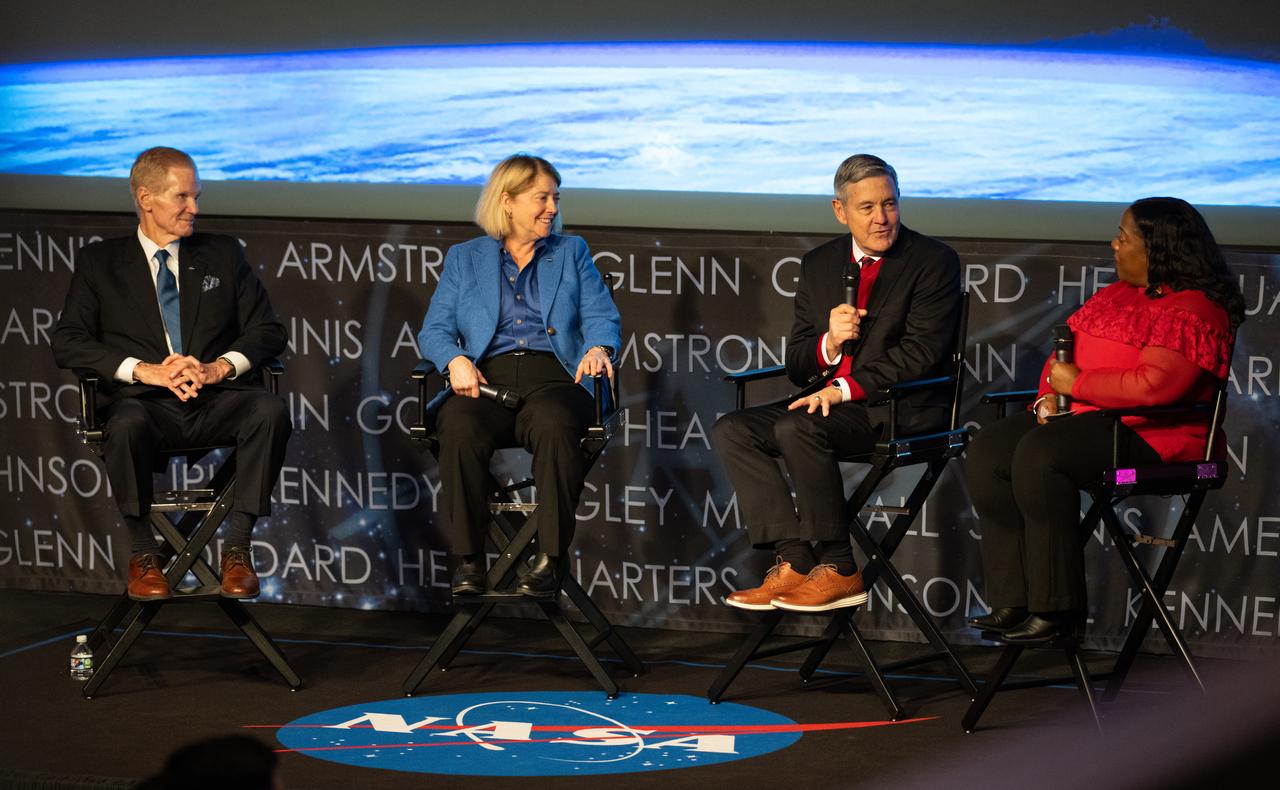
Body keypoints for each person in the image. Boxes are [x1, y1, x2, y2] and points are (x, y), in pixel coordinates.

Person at [964, 197, 1243, 641]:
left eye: (1124, 237)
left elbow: (1156, 387)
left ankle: (1057, 608)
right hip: (1088, 420)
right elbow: (1063, 359)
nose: (1114, 245)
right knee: (989, 450)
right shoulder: (1115, 294)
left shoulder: (1193, 307)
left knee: (1042, 454)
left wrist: (1076, 387)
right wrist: (1046, 399)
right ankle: (1012, 598)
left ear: (1158, 249)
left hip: (1156, 437)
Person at [714, 154, 962, 612]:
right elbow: (797, 363)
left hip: (899, 409)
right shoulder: (820, 264)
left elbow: (922, 356)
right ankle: (795, 560)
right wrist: (829, 341)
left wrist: (843, 389)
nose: (882, 218)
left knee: (799, 426)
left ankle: (840, 566)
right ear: (839, 211)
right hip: (831, 407)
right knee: (735, 429)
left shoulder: (932, 261)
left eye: (890, 204)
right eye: (867, 208)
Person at [52, 146, 290, 601]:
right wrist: (145, 372)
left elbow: (269, 331)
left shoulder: (222, 253)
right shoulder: (100, 262)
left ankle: (238, 547)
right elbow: (68, 341)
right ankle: (144, 554)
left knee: (269, 409)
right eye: (182, 197)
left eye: (196, 196)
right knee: (124, 425)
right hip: (144, 405)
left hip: (215, 398)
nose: (194, 208)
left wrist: (218, 367)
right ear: (146, 198)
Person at [418, 154, 621, 598]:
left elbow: (602, 317)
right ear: (507, 201)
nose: (552, 207)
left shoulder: (571, 252)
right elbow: (433, 331)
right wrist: (454, 361)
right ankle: (470, 560)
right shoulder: (465, 258)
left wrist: (598, 347)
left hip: (556, 379)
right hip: (486, 381)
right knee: (458, 426)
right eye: (541, 198)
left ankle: (551, 558)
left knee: (554, 424)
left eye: (555, 198)